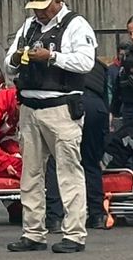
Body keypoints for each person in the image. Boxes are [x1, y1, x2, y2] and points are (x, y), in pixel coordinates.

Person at [5, 0, 98, 254]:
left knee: (69, 172)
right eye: (35, 8)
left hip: (61, 108)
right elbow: (9, 61)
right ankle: (33, 232)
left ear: (57, 1)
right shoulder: (29, 25)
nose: (39, 13)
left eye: (44, 7)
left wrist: (52, 56)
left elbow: (85, 61)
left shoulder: (76, 24)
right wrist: (19, 58)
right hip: (30, 108)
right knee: (30, 175)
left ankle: (74, 234)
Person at [46, 58, 112, 233]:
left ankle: (55, 218)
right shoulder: (99, 65)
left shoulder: (59, 58)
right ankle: (97, 215)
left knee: (56, 161)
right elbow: (107, 97)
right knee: (91, 163)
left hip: (70, 104)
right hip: (97, 108)